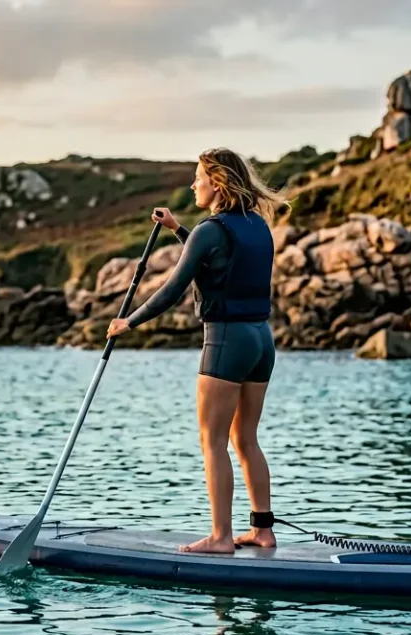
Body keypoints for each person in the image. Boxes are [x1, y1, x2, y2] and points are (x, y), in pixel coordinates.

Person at [107, 147, 283, 554]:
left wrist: (128, 322)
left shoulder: (211, 230)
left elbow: (173, 287)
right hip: (261, 340)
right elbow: (217, 263)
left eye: (199, 176)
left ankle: (221, 537)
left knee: (213, 441)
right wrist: (178, 229)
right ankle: (262, 530)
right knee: (246, 439)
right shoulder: (257, 226)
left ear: (216, 182)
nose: (193, 184)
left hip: (225, 342)